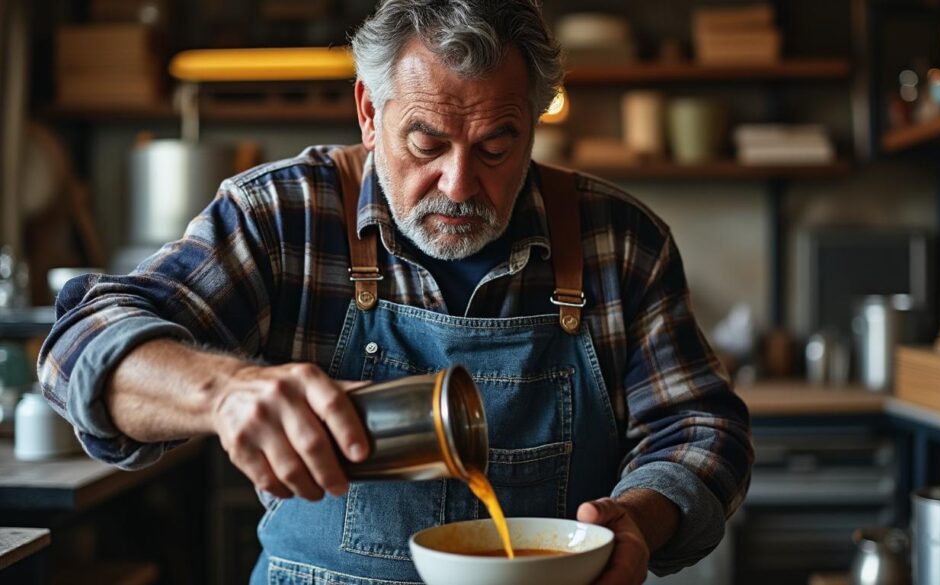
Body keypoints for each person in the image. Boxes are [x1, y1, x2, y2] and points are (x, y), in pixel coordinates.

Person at [38, 1, 753, 583]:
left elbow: (701, 428)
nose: (459, 183)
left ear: (534, 123)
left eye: (497, 147)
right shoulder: (281, 218)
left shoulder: (619, 240)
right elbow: (78, 348)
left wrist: (640, 517)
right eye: (427, 142)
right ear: (369, 112)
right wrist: (222, 393)